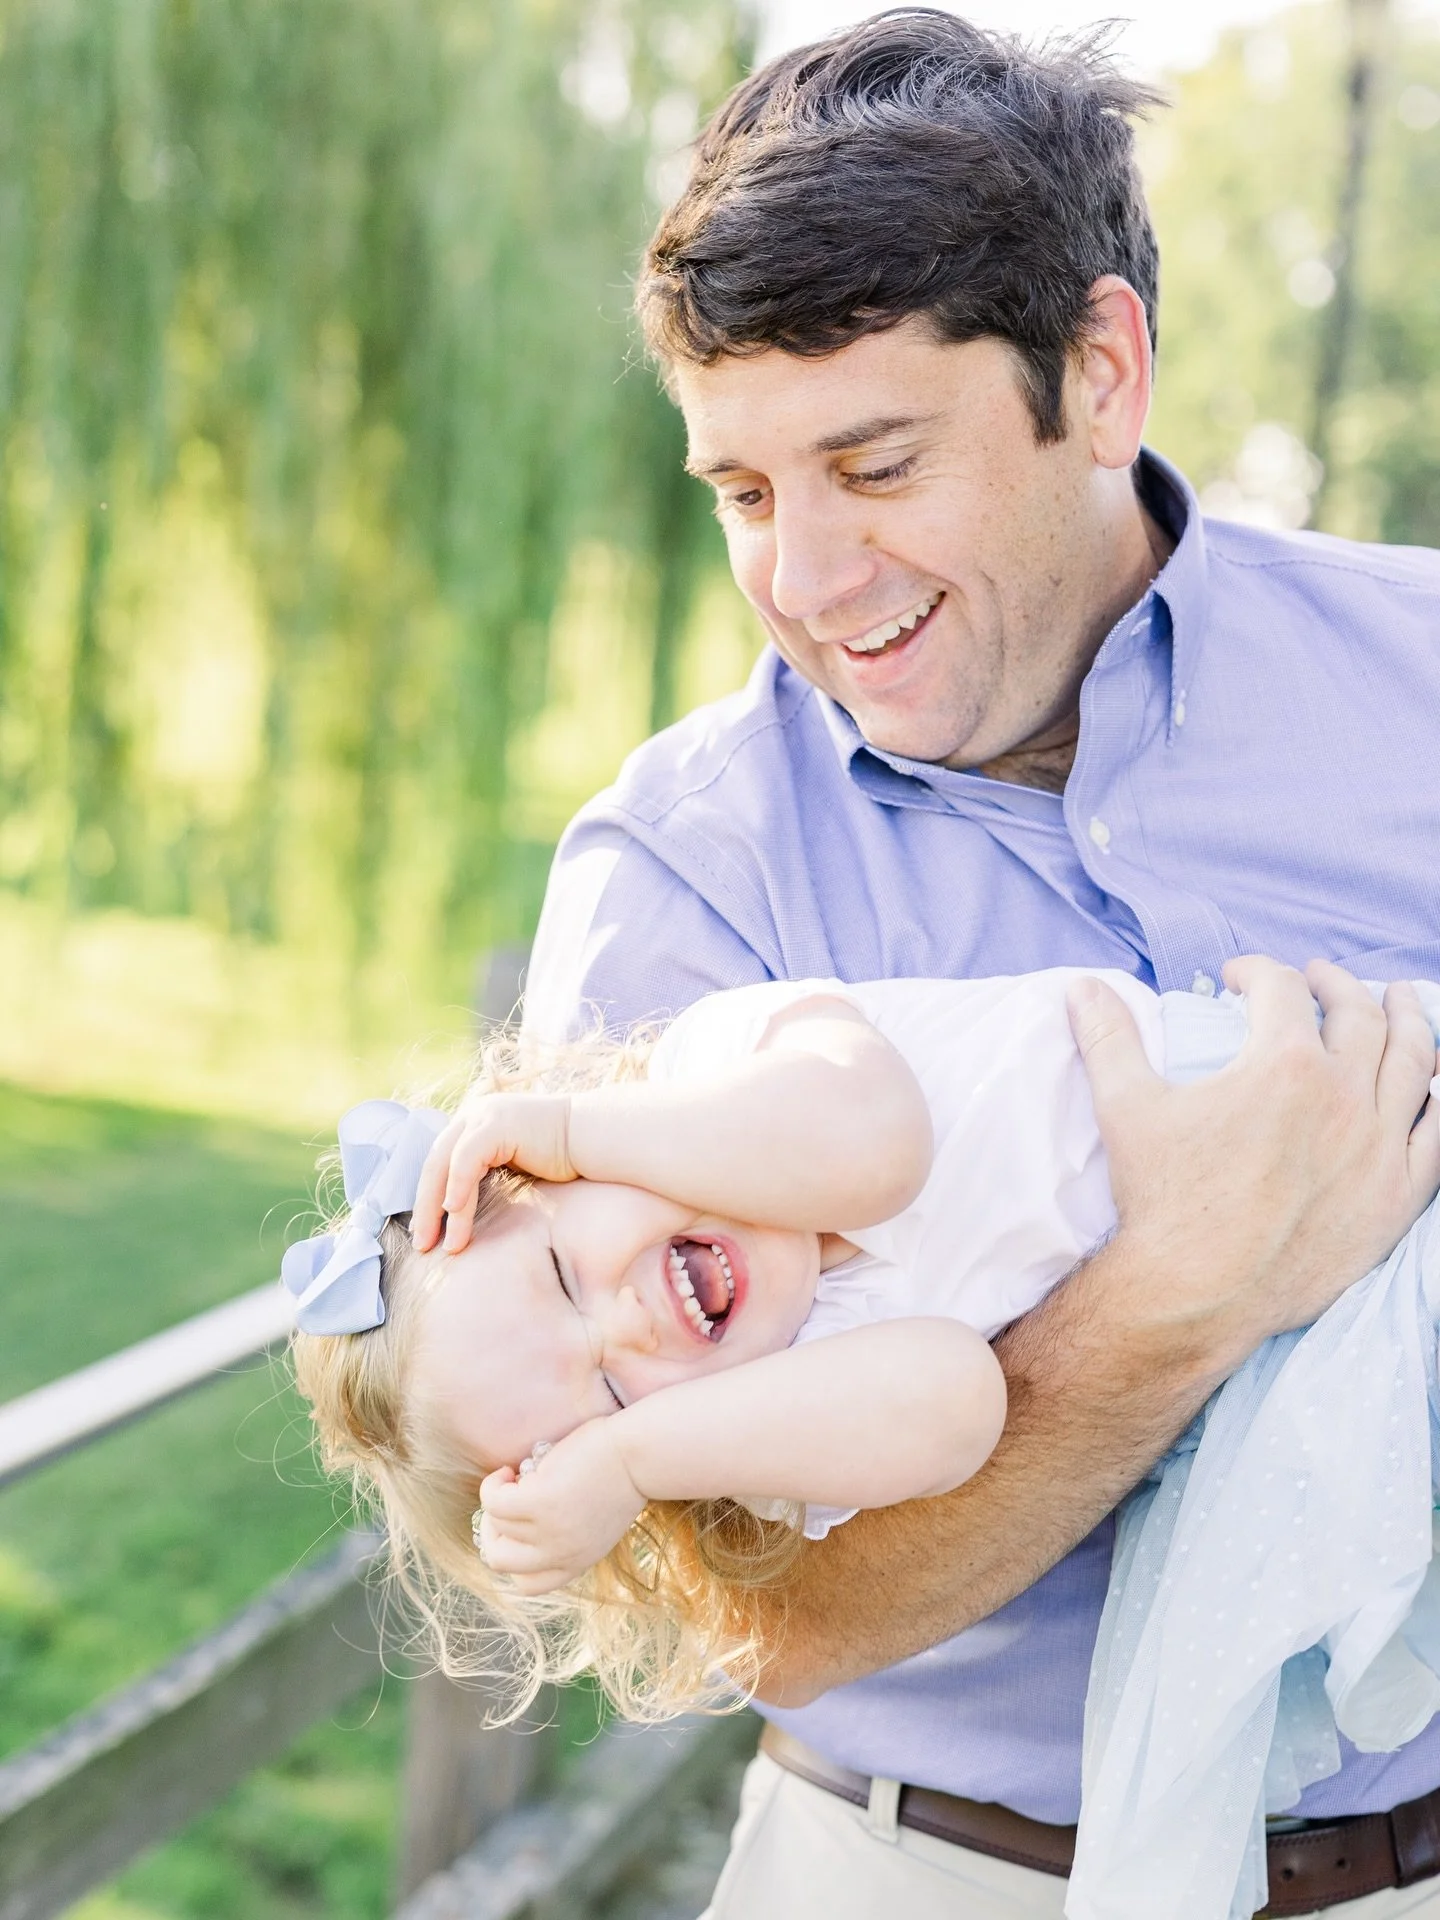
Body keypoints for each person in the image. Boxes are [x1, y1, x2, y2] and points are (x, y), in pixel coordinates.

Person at [507, 8, 1440, 1915]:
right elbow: (729, 1621)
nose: (812, 583)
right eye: (747, 496)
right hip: (918, 1877)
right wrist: (1173, 1301)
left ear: (1100, 373)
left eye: (875, 463)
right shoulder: (682, 882)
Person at [284, 962, 1440, 1920]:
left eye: (558, 1272)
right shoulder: (786, 1428)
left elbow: (875, 1147)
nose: (625, 1323)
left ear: (540, 1171)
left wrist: (576, 1122)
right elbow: (958, 1404)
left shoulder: (719, 1063)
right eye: (608, 1403)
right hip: (1344, 1325)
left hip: (1333, 1107)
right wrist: (638, 1463)